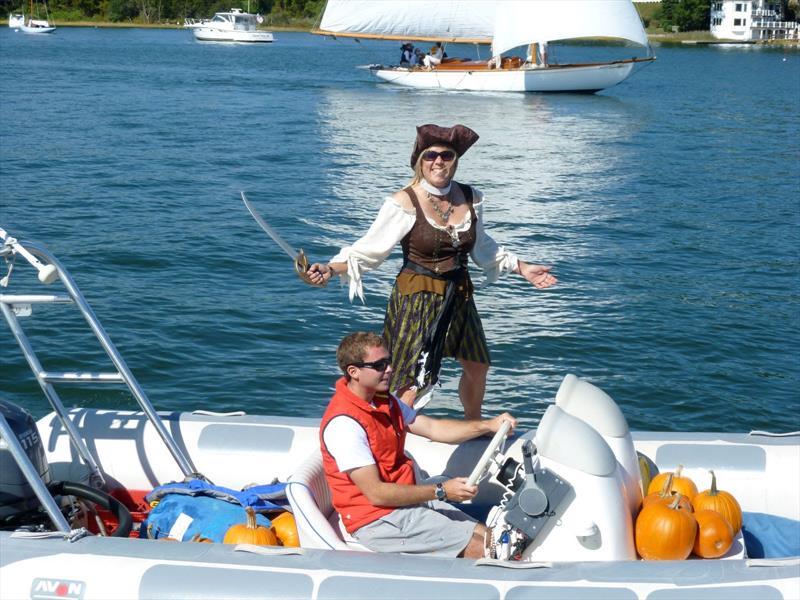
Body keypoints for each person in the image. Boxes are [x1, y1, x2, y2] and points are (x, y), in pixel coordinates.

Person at [307, 124, 557, 419]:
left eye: (447, 155)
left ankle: (473, 426)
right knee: (409, 380)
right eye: (431, 156)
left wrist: (522, 267)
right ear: (420, 161)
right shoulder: (403, 202)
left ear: (456, 160)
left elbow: (483, 245)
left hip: (458, 295)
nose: (439, 161)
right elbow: (368, 249)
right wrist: (330, 269)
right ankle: (394, 437)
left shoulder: (470, 197)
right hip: (416, 300)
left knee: (477, 365)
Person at [320, 331, 516, 557]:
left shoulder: (384, 401)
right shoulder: (344, 425)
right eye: (380, 365)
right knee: (487, 549)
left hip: (404, 503)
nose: (390, 369)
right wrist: (442, 491)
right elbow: (376, 494)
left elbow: (433, 428)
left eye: (389, 361)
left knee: (491, 537)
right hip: (377, 519)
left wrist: (488, 425)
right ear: (353, 372)